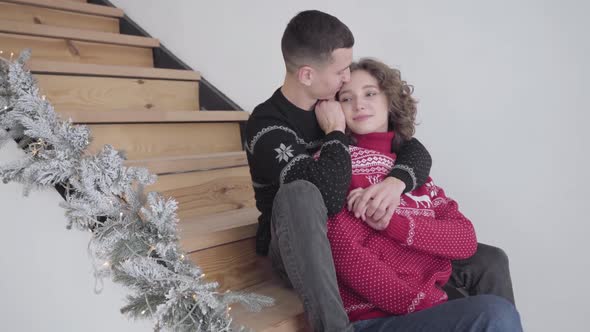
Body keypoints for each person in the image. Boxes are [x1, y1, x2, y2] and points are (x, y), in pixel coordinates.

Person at [245, 10, 513, 331]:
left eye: (365, 88)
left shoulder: (333, 99)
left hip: (364, 231)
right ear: (306, 75)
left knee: (490, 260)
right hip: (297, 239)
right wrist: (334, 133)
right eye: (342, 71)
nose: (348, 79)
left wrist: (395, 183)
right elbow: (326, 199)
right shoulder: (270, 125)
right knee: (301, 193)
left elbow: (409, 147)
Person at [322, 57, 522, 331]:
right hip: (376, 316)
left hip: (426, 300)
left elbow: (464, 239)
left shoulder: (410, 170)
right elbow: (347, 258)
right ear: (335, 109)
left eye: (370, 93)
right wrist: (433, 301)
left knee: (493, 268)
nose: (359, 104)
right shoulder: (336, 162)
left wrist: (393, 224)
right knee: (493, 314)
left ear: (388, 100)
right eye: (346, 98)